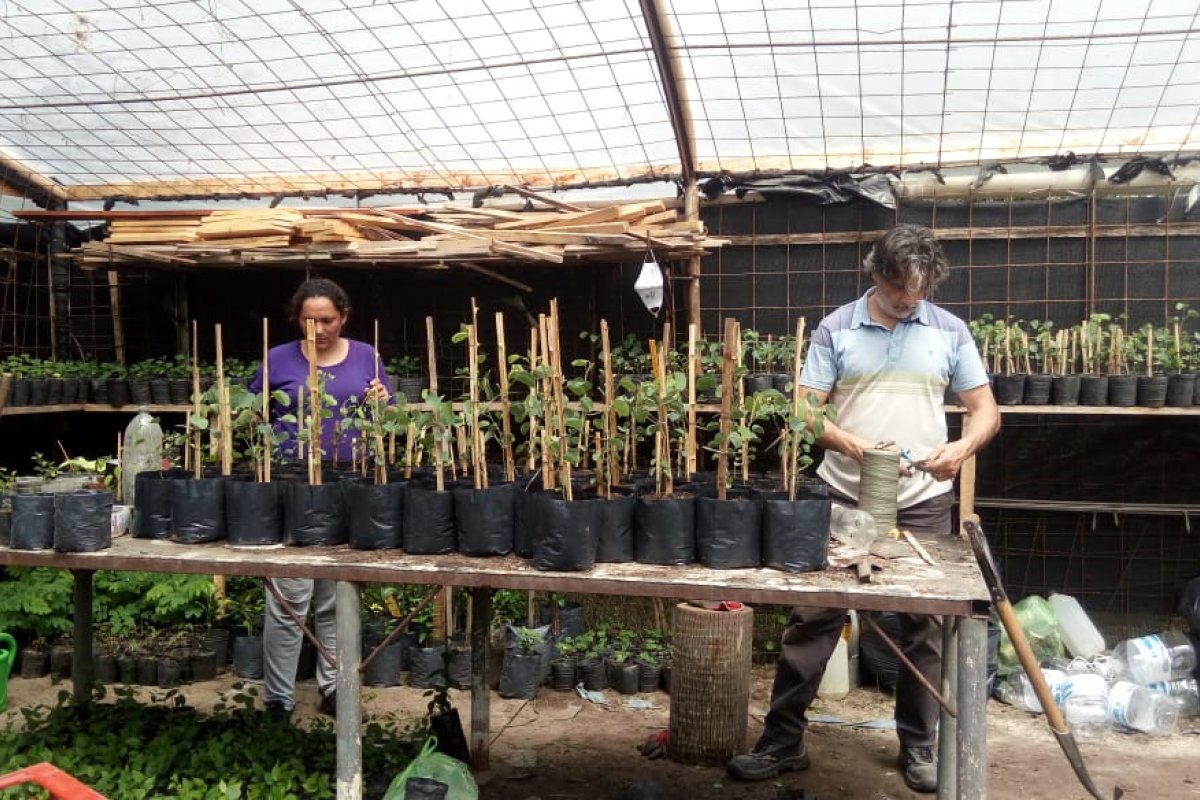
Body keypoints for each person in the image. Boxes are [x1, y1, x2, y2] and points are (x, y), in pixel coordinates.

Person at [727, 224, 1001, 793]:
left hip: (923, 500)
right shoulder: (836, 329)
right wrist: (856, 447)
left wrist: (960, 449)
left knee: (926, 624)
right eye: (901, 288)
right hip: (843, 495)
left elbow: (985, 411)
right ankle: (782, 740)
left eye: (921, 290)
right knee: (814, 616)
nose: (910, 299)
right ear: (876, 273)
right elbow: (806, 411)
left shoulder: (949, 331)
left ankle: (919, 746)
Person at [248, 277, 391, 719]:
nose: (319, 328)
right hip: (293, 487)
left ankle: (333, 689)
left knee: (335, 595)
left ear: (343, 317)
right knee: (289, 596)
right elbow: (251, 415)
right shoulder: (278, 359)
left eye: (327, 319)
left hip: (348, 486)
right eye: (310, 320)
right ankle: (278, 699)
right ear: (297, 319)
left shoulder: (366, 355)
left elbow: (383, 415)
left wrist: (382, 402)